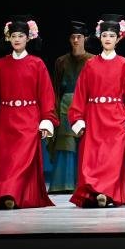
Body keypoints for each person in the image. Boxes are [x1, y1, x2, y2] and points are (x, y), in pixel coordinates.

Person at [0, 15, 57, 209]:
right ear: (8, 38)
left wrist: (47, 119)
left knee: (23, 160)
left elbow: (46, 94)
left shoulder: (37, 64)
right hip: (6, 119)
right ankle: (9, 193)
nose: (17, 39)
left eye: (21, 36)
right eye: (13, 36)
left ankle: (10, 195)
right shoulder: (0, 64)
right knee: (6, 160)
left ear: (28, 38)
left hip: (29, 119)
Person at [68, 14, 125, 207]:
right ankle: (95, 192)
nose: (108, 38)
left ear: (118, 38)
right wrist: (77, 118)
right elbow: (80, 93)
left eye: (112, 35)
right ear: (99, 37)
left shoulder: (124, 64)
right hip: (94, 117)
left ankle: (106, 193)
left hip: (115, 116)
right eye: (105, 35)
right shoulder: (90, 64)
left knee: (113, 158)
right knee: (92, 157)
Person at [48, 20, 93, 193]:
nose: (76, 40)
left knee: (85, 143)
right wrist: (54, 112)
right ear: (69, 39)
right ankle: (64, 183)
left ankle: (85, 181)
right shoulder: (61, 61)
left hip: (86, 105)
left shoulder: (92, 60)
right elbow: (56, 89)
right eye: (73, 37)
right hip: (65, 106)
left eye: (79, 37)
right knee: (65, 144)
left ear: (85, 38)